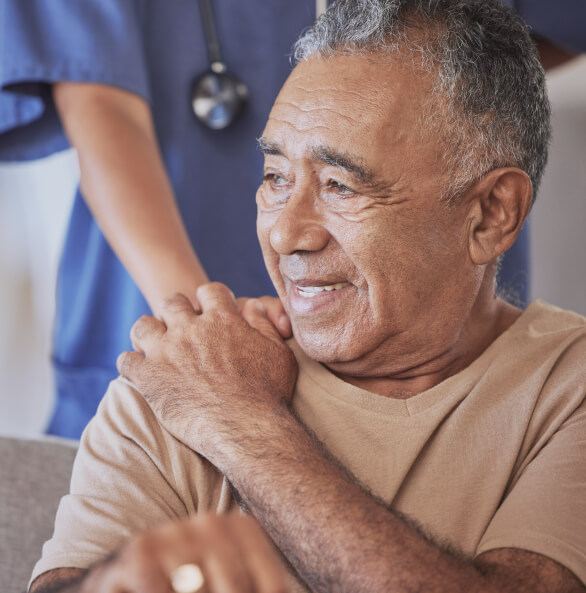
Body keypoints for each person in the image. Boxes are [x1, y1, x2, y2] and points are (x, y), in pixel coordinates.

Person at [28, 0, 586, 592]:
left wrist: (245, 427)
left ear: (489, 215)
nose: (286, 234)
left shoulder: (564, 388)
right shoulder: (184, 377)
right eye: (275, 178)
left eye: (340, 185)